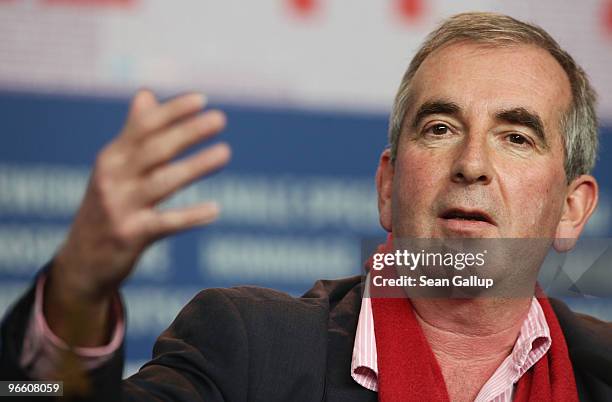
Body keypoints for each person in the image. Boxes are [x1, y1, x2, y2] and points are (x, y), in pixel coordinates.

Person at [1, 11, 611, 402]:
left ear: (571, 209)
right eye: (439, 127)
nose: (471, 163)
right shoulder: (246, 350)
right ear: (387, 186)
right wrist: (74, 299)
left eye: (516, 137)